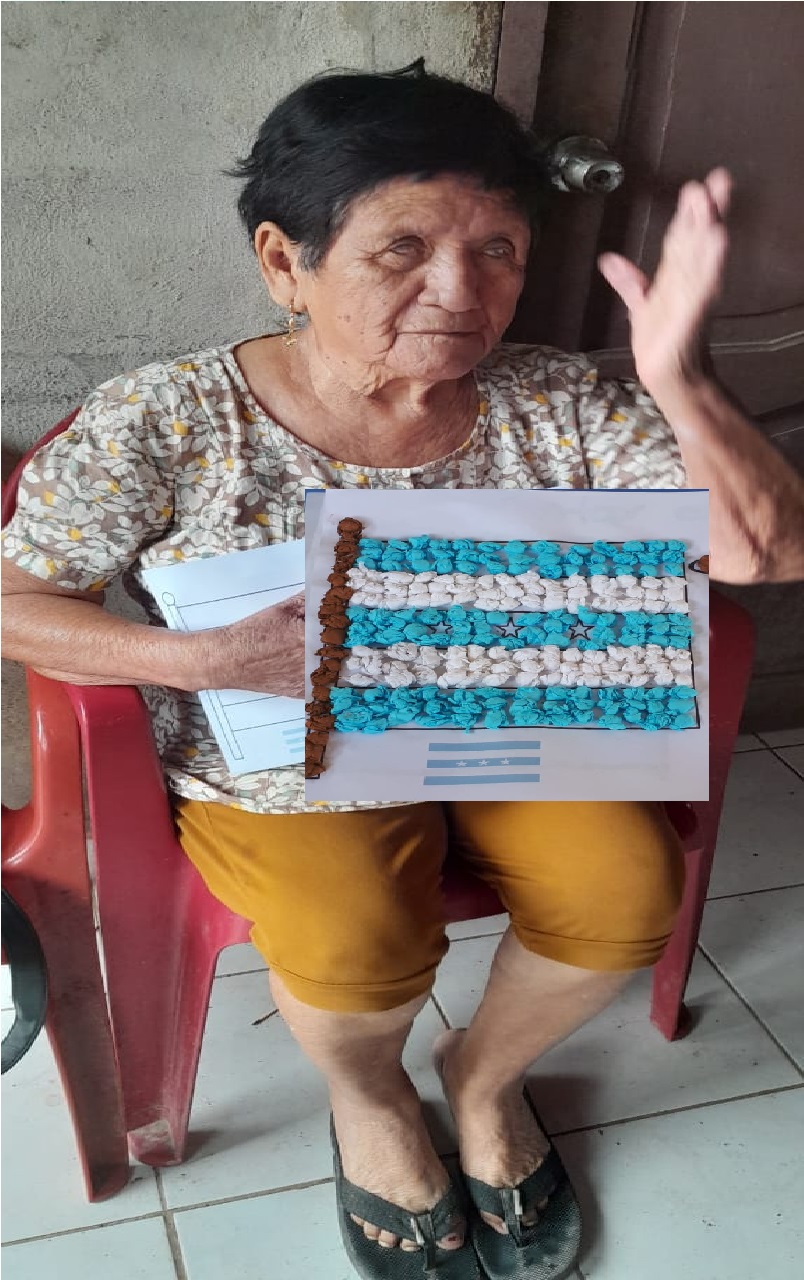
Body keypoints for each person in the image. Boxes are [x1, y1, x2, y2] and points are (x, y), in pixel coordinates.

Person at [3, 68, 803, 1280]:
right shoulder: (168, 417)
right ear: (285, 261)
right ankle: (370, 1097)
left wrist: (679, 375)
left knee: (626, 891)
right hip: (287, 754)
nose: (462, 290)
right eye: (404, 249)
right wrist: (199, 657)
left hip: (521, 725)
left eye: (498, 249)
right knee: (354, 936)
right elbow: (14, 601)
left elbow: (764, 550)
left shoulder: (558, 397)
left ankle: (482, 1075)